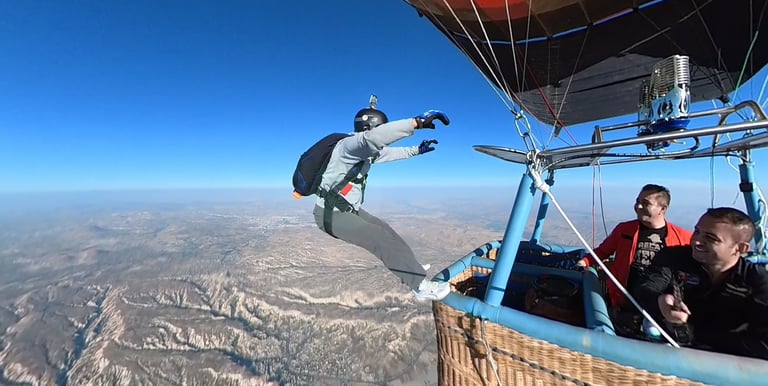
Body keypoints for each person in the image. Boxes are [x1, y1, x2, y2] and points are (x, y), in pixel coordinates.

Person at [313, 102, 451, 301]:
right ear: (368, 129)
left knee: (386, 230)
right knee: (381, 239)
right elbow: (375, 138)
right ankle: (420, 287)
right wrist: (415, 123)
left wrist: (417, 151)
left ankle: (411, 266)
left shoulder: (365, 153)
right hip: (331, 216)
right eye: (381, 129)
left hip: (345, 210)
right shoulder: (349, 146)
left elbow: (389, 153)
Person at [634, 207, 768, 360]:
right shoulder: (673, 258)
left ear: (740, 248)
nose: (696, 241)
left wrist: (699, 334)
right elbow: (644, 288)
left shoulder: (757, 282)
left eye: (711, 238)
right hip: (665, 353)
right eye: (697, 231)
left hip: (723, 365)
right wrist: (659, 301)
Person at [582, 184, 692, 309]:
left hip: (661, 307)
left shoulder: (683, 238)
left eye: (645, 203)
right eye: (637, 201)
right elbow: (603, 251)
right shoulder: (624, 230)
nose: (638, 206)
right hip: (623, 301)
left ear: (662, 209)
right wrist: (586, 261)